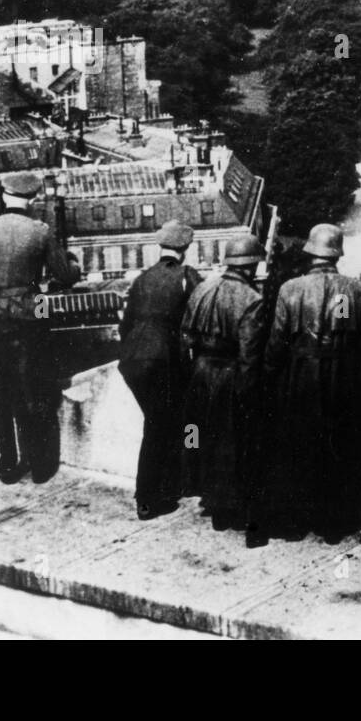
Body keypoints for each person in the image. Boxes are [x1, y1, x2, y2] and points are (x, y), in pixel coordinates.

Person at [249, 223, 361, 547]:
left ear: (310, 252)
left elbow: (277, 343)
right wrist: (347, 356)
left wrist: (270, 375)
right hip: (344, 377)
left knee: (297, 447)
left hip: (300, 376)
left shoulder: (290, 289)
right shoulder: (355, 290)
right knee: (340, 448)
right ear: (336, 254)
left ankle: (295, 523)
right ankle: (335, 525)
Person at [0, 172, 81, 484]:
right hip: (30, 318)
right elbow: (65, 275)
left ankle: (8, 464)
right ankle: (38, 464)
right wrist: (73, 264)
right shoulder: (39, 231)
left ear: (4, 196)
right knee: (34, 392)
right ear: (33, 198)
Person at [180, 234, 265, 532]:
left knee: (198, 435)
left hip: (200, 371)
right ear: (251, 265)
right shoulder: (252, 300)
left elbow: (185, 337)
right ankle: (227, 507)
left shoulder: (201, 288)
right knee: (229, 442)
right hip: (228, 375)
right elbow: (250, 355)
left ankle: (205, 494)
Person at [118, 221, 202, 520]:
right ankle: (149, 497)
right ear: (185, 249)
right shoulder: (187, 276)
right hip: (163, 360)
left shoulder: (142, 278)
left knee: (163, 421)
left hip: (132, 362)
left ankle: (169, 484)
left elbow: (125, 324)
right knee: (161, 426)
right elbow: (199, 317)